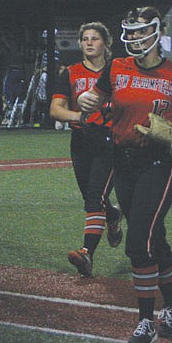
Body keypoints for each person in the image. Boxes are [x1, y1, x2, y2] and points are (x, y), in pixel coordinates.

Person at [78, 6, 172, 343]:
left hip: (160, 162)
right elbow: (97, 97)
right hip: (124, 161)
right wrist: (86, 99)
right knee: (154, 236)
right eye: (130, 31)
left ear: (157, 30)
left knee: (138, 242)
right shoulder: (116, 67)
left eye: (140, 31)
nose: (134, 37)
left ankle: (145, 322)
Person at [49, 22, 123, 278]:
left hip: (110, 141)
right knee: (95, 200)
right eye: (85, 39)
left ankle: (86, 253)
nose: (89, 43)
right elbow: (56, 109)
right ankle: (113, 216)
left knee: (94, 197)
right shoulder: (70, 73)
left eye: (95, 38)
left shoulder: (118, 72)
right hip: (81, 141)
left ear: (106, 43)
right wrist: (80, 117)